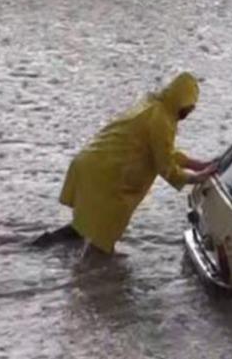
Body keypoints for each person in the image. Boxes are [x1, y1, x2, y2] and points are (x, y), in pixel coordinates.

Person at [32, 71, 216, 254]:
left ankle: (41, 246)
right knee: (102, 238)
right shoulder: (161, 120)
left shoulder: (155, 107)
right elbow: (166, 168)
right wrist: (198, 178)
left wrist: (197, 165)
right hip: (106, 176)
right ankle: (97, 276)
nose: (190, 111)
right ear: (182, 101)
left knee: (85, 226)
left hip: (92, 164)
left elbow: (164, 152)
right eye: (190, 106)